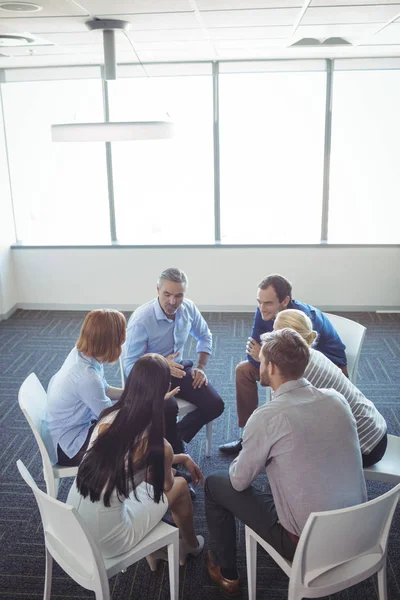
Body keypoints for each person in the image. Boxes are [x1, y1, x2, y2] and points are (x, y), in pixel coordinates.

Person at [205, 329, 367, 596]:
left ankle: (226, 573)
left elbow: (239, 480)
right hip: (360, 529)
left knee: (215, 482)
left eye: (262, 360)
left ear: (272, 366)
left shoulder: (268, 416)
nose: (258, 364)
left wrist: (253, 453)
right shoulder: (337, 400)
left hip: (308, 543)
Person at [67, 353, 205, 567]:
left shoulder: (107, 418)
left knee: (148, 480)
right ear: (166, 389)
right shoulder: (159, 445)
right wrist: (176, 460)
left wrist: (181, 457)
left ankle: (155, 547)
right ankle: (191, 545)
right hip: (107, 541)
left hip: (74, 523)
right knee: (180, 486)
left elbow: (136, 461)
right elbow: (166, 485)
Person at [219, 273, 347, 454]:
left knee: (283, 383)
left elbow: (301, 363)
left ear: (285, 301)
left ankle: (288, 443)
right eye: (259, 302)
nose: (261, 308)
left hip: (325, 367)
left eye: (268, 303)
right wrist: (263, 357)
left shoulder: (302, 319)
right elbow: (252, 354)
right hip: (286, 364)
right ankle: (248, 437)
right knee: (243, 371)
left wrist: (263, 356)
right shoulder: (263, 311)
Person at [124, 267, 224, 457]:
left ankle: (176, 437)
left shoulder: (187, 308)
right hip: (148, 377)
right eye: (167, 294)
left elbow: (205, 336)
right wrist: (159, 364)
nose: (173, 301)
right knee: (168, 407)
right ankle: (174, 459)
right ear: (157, 290)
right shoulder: (141, 320)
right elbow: (130, 366)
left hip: (177, 369)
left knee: (215, 404)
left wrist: (200, 367)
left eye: (179, 295)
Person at [273, 308, 387, 467]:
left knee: (286, 448)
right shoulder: (312, 354)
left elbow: (281, 416)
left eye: (274, 334)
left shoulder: (297, 373)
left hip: (365, 448)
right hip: (375, 429)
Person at [46, 309, 126, 467]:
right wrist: (145, 400)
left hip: (67, 431)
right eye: (122, 332)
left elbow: (104, 390)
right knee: (133, 440)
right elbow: (111, 420)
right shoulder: (87, 377)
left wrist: (136, 394)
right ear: (110, 341)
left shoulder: (82, 354)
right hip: (69, 448)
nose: (124, 337)